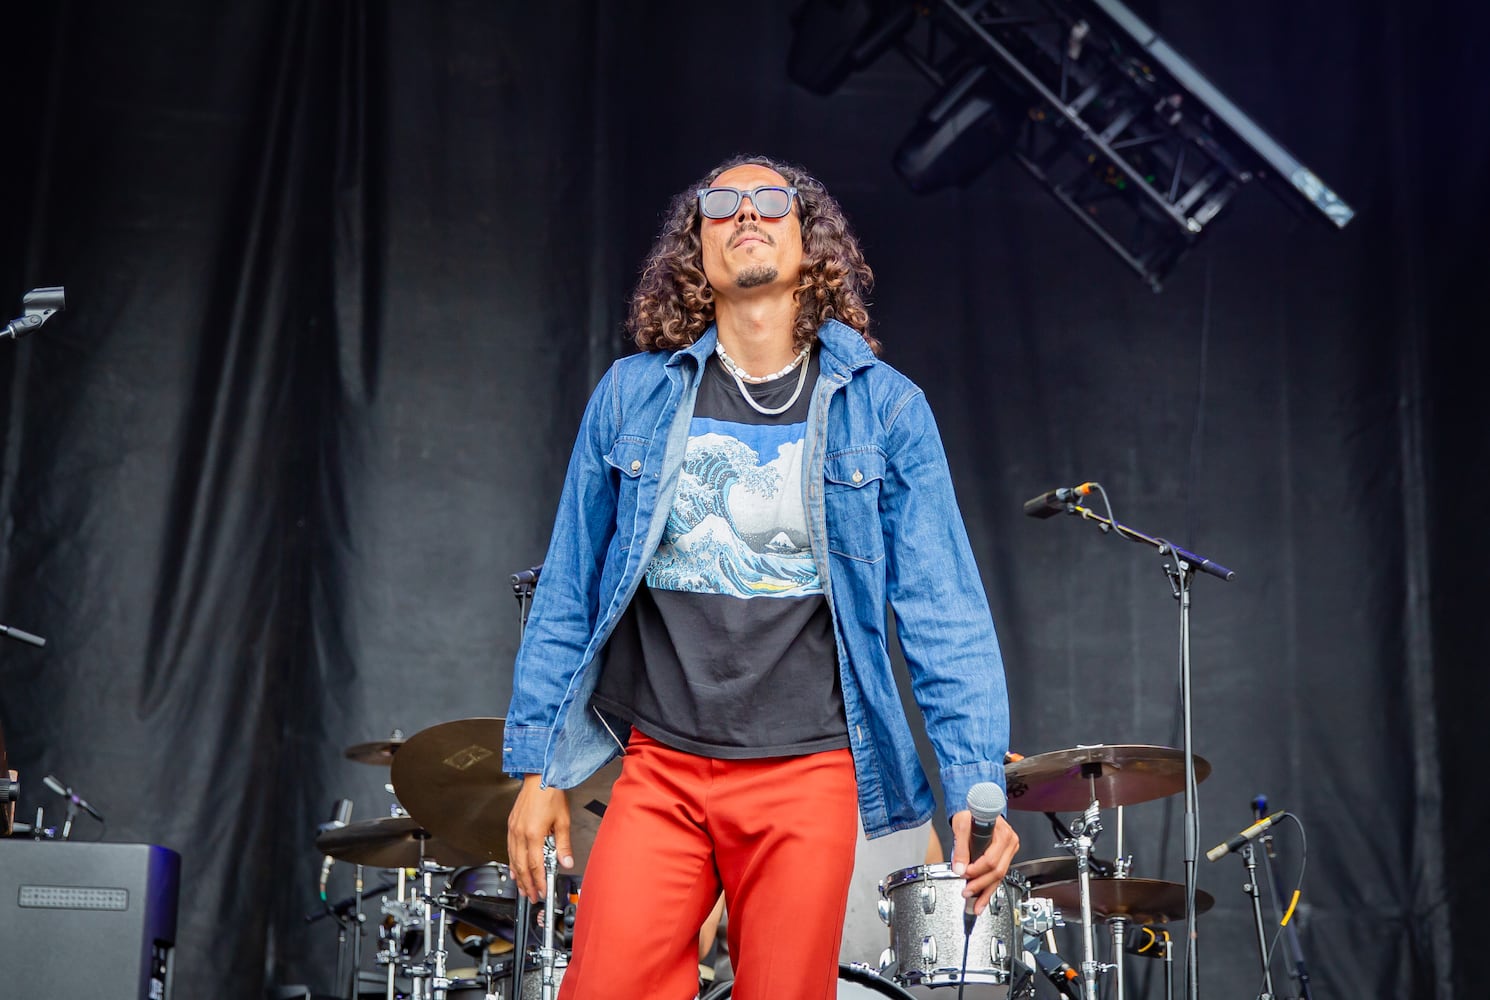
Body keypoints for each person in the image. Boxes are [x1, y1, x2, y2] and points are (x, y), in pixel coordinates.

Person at [502, 154, 1017, 999]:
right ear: (694, 252)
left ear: (808, 241)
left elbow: (944, 610)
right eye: (721, 203)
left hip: (807, 773)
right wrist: (538, 771)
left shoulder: (885, 409)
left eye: (770, 200)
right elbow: (568, 589)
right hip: (662, 764)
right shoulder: (632, 396)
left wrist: (972, 786)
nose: (746, 212)